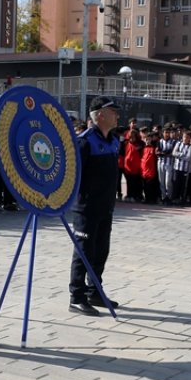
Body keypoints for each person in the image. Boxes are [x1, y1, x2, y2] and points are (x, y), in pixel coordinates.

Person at [68, 97, 122, 316]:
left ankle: (95, 291)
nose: (117, 115)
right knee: (83, 252)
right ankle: (77, 297)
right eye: (113, 111)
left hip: (106, 206)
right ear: (99, 114)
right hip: (87, 207)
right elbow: (73, 175)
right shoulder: (85, 142)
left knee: (101, 251)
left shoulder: (114, 140)